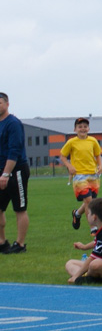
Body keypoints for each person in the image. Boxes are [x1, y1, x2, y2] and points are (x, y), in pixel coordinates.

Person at [61, 117, 102, 232]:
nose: (83, 129)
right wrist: (69, 166)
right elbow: (63, 156)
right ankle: (93, 227)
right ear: (75, 129)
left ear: (88, 129)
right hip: (79, 176)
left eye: (85, 126)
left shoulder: (93, 141)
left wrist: (100, 165)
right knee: (89, 201)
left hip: (93, 175)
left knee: (90, 201)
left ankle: (77, 214)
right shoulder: (71, 142)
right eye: (80, 127)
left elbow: (98, 155)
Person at [0, 93, 29, 254]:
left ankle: (20, 244)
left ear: (7, 104)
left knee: (19, 208)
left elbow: (14, 151)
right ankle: (2, 241)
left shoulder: (13, 123)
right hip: (1, 170)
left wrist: (5, 174)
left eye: (0, 103)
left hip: (15, 170)